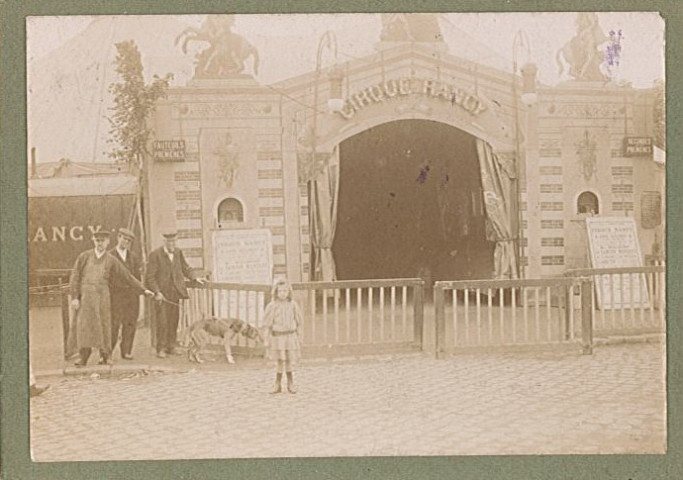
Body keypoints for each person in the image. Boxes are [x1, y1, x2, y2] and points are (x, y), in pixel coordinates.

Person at [69, 230, 153, 367]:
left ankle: (105, 356)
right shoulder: (84, 257)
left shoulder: (111, 260)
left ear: (108, 242)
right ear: (93, 241)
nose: (100, 243)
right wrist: (75, 297)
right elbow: (75, 277)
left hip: (103, 297)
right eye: (97, 241)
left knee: (105, 326)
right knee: (85, 326)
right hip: (87, 297)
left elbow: (128, 276)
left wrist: (144, 290)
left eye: (103, 241)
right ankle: (83, 357)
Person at [146, 231, 206, 358]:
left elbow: (186, 268)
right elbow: (150, 277)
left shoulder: (178, 253)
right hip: (162, 295)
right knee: (162, 322)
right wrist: (157, 292)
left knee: (174, 320)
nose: (171, 243)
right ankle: (160, 348)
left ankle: (171, 346)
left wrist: (195, 278)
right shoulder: (155, 255)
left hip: (175, 293)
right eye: (169, 241)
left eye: (173, 241)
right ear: (164, 242)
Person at [108, 227, 144, 360]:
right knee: (114, 324)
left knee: (130, 323)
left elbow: (137, 278)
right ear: (118, 238)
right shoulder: (110, 256)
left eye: (129, 241)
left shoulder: (133, 257)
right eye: (124, 239)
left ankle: (126, 351)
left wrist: (138, 292)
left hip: (131, 297)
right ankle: (108, 352)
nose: (126, 242)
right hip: (116, 296)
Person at [263, 279, 302, 394]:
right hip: (278, 338)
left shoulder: (293, 305)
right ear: (276, 292)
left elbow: (299, 322)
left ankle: (290, 383)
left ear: (289, 292)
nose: (283, 294)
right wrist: (266, 339)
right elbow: (267, 325)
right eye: (280, 291)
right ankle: (277, 384)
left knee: (289, 360)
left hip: (290, 337)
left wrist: (299, 336)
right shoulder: (272, 306)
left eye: (285, 291)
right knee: (280, 361)